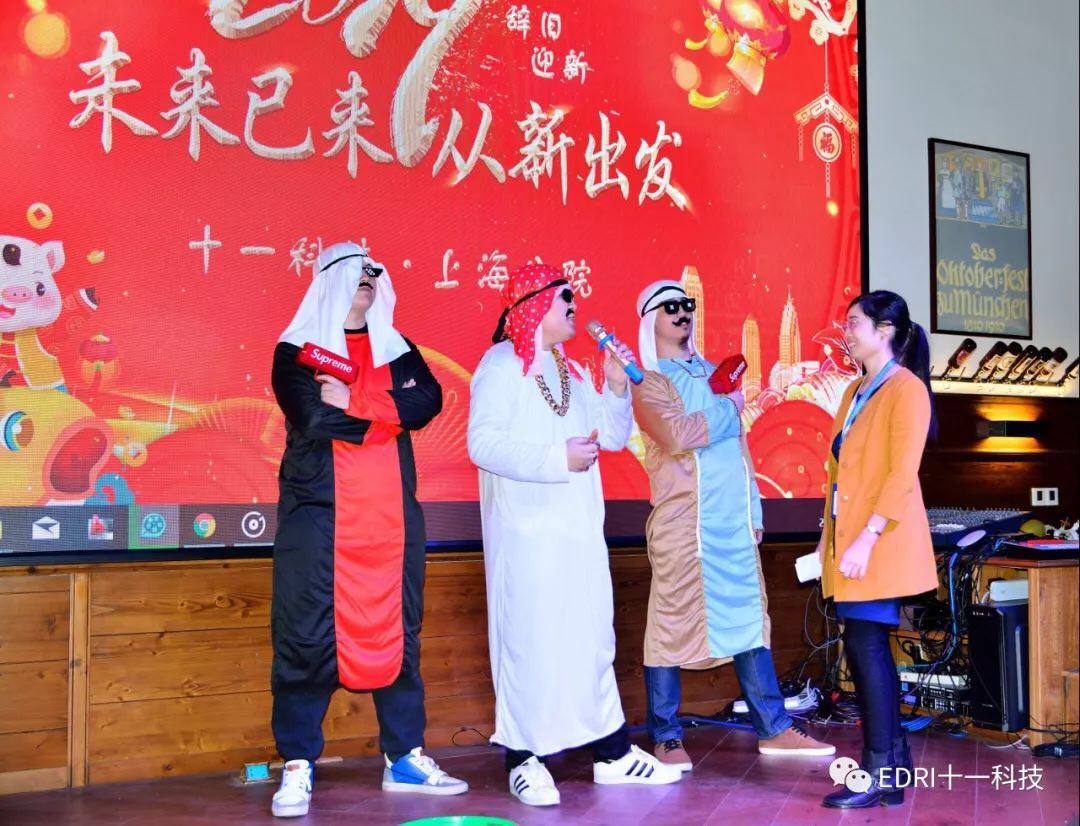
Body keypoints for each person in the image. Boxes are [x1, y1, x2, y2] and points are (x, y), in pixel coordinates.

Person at [467, 263, 682, 807]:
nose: (574, 306)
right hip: (527, 539)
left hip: (579, 537)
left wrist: (615, 387)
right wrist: (554, 458)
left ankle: (612, 753)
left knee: (590, 642)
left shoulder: (571, 370)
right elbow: (482, 445)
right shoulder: (499, 365)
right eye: (565, 297)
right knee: (530, 645)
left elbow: (611, 437)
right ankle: (523, 759)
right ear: (534, 304)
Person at [268, 241, 467, 818]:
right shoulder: (296, 351)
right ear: (329, 281)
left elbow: (427, 402)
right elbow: (312, 417)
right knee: (305, 637)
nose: (369, 277)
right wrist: (387, 417)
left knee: (400, 635)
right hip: (318, 521)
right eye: (357, 271)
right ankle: (298, 762)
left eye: (375, 272)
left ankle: (404, 756)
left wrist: (357, 399)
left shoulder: (396, 349)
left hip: (392, 523)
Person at [629, 280, 835, 771]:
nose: (683, 313)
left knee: (748, 622)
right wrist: (729, 407)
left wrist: (754, 513)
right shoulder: (650, 382)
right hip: (685, 527)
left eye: (687, 305)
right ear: (651, 319)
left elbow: (739, 449)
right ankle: (666, 736)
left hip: (733, 526)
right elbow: (676, 436)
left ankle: (775, 728)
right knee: (670, 627)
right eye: (671, 306)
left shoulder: (713, 374)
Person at [818, 290, 938, 809]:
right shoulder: (854, 390)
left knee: (865, 649)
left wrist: (866, 538)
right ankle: (893, 763)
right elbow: (835, 470)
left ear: (884, 330)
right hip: (850, 540)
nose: (846, 333)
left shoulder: (906, 389)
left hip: (879, 541)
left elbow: (901, 475)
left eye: (854, 323)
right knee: (865, 651)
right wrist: (826, 537)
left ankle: (879, 769)